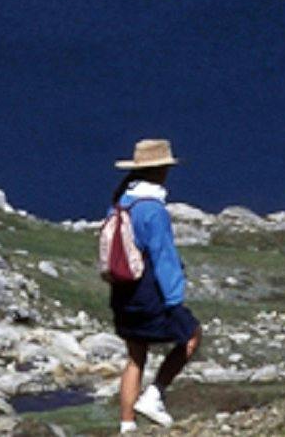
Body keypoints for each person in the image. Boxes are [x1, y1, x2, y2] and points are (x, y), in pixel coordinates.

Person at [105, 140, 199, 430]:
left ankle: (126, 425)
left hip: (123, 292)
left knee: (136, 356)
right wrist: (174, 298)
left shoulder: (120, 204)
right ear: (160, 170)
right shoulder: (153, 209)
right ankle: (155, 393)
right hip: (150, 292)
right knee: (191, 336)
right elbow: (163, 256)